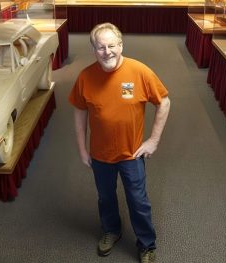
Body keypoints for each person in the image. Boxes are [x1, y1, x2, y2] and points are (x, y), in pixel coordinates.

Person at [68, 23, 170, 262]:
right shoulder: (85, 77)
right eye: (101, 47)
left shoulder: (140, 71)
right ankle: (111, 230)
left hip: (131, 154)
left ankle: (147, 244)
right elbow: (79, 112)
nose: (107, 52)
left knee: (138, 200)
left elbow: (164, 102)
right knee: (105, 198)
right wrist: (83, 149)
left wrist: (153, 140)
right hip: (100, 154)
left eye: (112, 45)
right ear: (94, 49)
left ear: (121, 45)